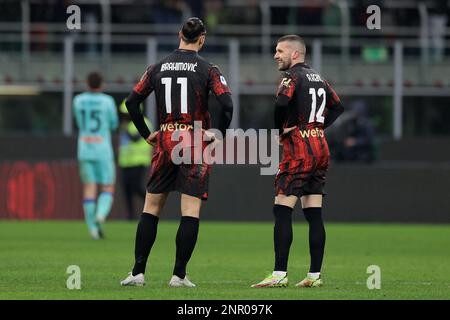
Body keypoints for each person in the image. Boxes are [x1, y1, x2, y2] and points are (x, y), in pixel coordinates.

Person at [120, 17, 233, 287]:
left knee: (151, 207)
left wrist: (148, 134)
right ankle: (178, 275)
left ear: (179, 34)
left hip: (166, 138)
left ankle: (137, 272)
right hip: (194, 139)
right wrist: (217, 133)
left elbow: (132, 102)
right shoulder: (209, 69)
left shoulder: (157, 67)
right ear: (202, 39)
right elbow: (227, 105)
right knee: (190, 210)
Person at [252, 35, 344, 288]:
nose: (275, 55)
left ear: (295, 54)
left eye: (280, 50)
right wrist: (318, 126)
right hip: (320, 146)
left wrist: (279, 130)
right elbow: (338, 107)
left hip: (300, 148)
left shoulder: (291, 77)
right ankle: (314, 276)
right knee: (314, 213)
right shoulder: (318, 77)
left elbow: (281, 101)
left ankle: (279, 274)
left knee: (281, 209)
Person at [73, 72, 119, 239]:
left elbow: (79, 122)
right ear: (102, 84)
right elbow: (113, 124)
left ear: (87, 83)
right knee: (107, 186)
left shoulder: (77, 101)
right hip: (102, 149)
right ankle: (100, 215)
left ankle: (92, 228)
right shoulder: (108, 101)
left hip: (84, 148)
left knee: (89, 188)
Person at [118, 99, 153, 220]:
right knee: (126, 189)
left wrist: (126, 130)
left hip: (139, 161)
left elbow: (136, 138)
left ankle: (151, 206)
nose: (125, 116)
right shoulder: (126, 125)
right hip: (126, 162)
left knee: (136, 186)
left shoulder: (144, 123)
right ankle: (130, 216)